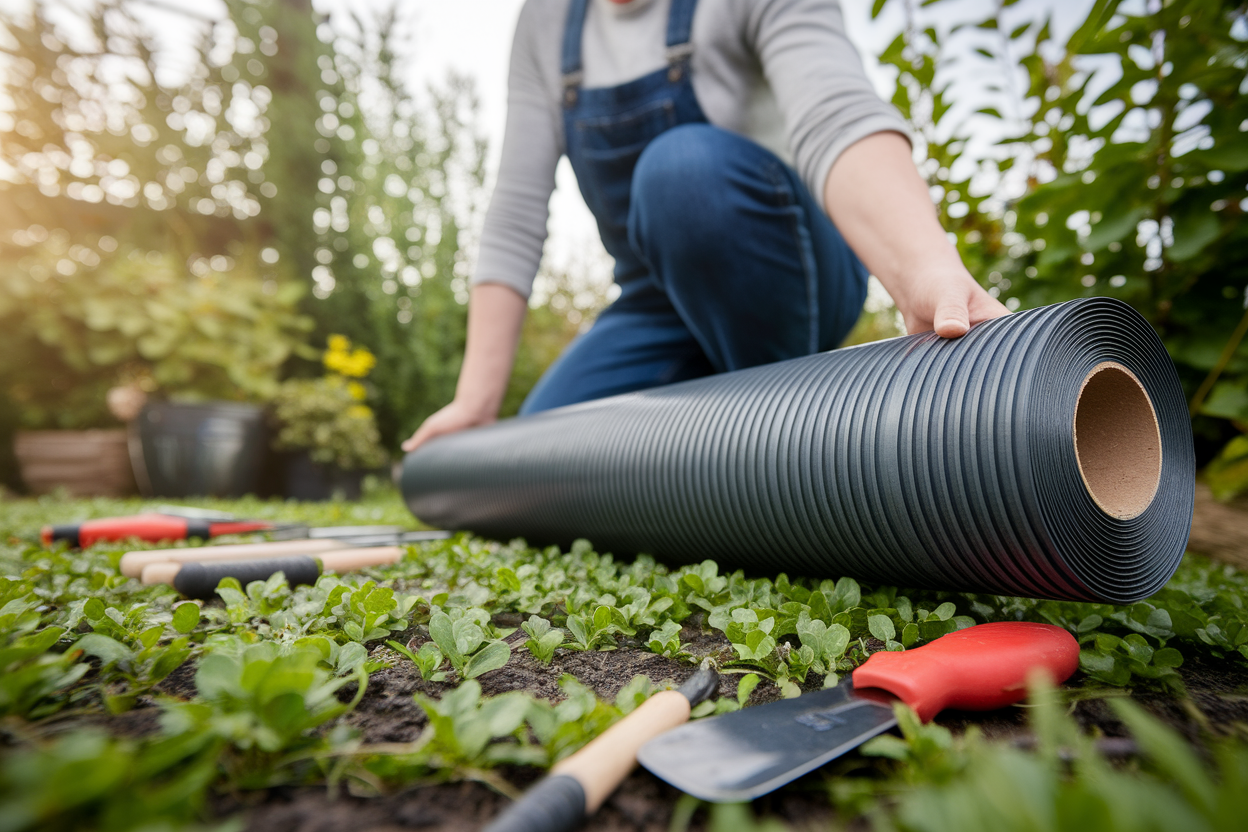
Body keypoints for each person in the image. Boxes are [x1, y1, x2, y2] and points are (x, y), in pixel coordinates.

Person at [403, 0, 1007, 453]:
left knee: (682, 172)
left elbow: (836, 116)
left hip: (793, 264)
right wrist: (475, 403)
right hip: (657, 301)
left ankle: (783, 436)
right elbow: (515, 211)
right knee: (544, 456)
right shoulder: (546, 22)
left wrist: (925, 270)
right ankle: (719, 431)